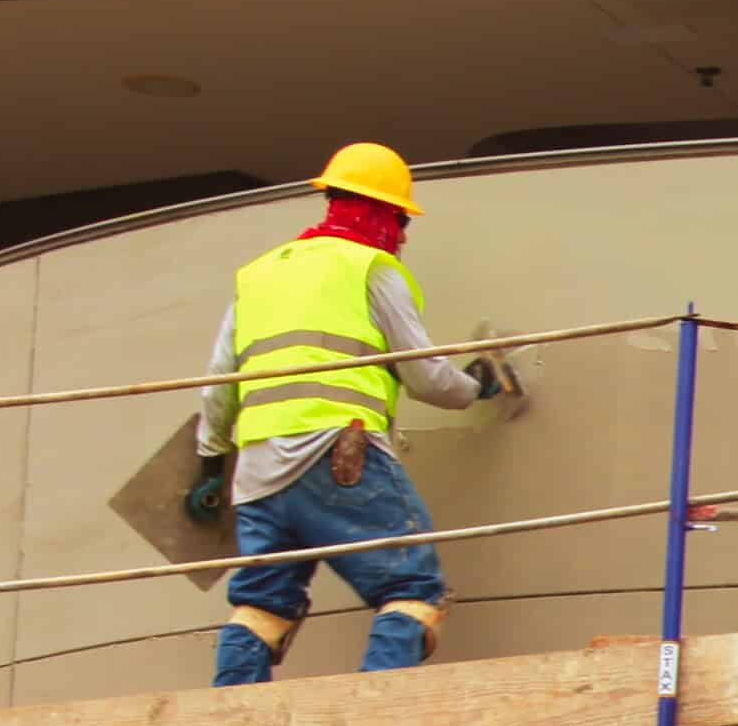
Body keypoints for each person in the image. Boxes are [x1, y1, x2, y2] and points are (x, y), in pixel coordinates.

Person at [186, 143, 515, 687]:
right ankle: (374, 711)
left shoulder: (262, 273)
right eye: (401, 218)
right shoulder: (370, 267)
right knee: (413, 589)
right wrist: (476, 387)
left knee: (263, 604)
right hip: (338, 455)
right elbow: (425, 376)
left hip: (258, 474)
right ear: (382, 212)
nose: (404, 235)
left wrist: (209, 462)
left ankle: (232, 719)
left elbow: (219, 385)